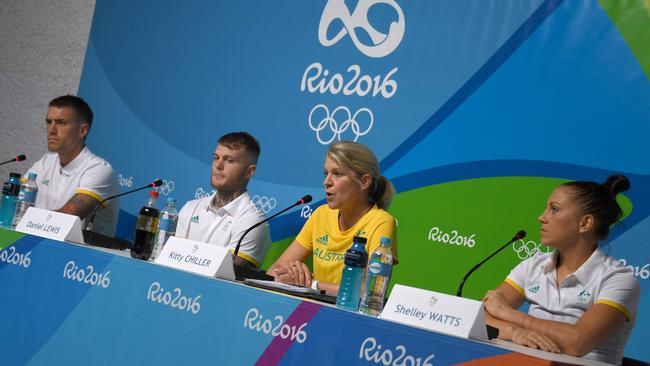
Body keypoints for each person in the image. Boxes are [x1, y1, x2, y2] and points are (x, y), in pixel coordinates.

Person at [483, 175, 639, 364]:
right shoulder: (532, 266)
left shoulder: (618, 279)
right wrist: (514, 332)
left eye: (554, 210)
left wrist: (509, 315)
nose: (541, 217)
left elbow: (578, 342)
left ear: (585, 223)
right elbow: (480, 316)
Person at [268, 141, 398, 294]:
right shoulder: (321, 214)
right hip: (309, 310)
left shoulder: (381, 222)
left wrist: (311, 284)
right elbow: (273, 271)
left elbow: (371, 291)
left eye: (337, 174)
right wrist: (291, 274)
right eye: (326, 173)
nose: (326, 182)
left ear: (364, 181)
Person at [25, 95, 119, 237]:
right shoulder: (44, 163)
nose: (51, 130)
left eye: (61, 123)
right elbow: (15, 205)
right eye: (48, 122)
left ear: (82, 131)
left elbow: (65, 219)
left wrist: (27, 219)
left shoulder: (99, 170)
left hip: (80, 256)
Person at [175, 132, 271, 269]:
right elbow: (170, 259)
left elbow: (228, 273)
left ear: (249, 172)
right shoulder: (190, 208)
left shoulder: (253, 221)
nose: (218, 165)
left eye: (229, 160)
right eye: (216, 157)